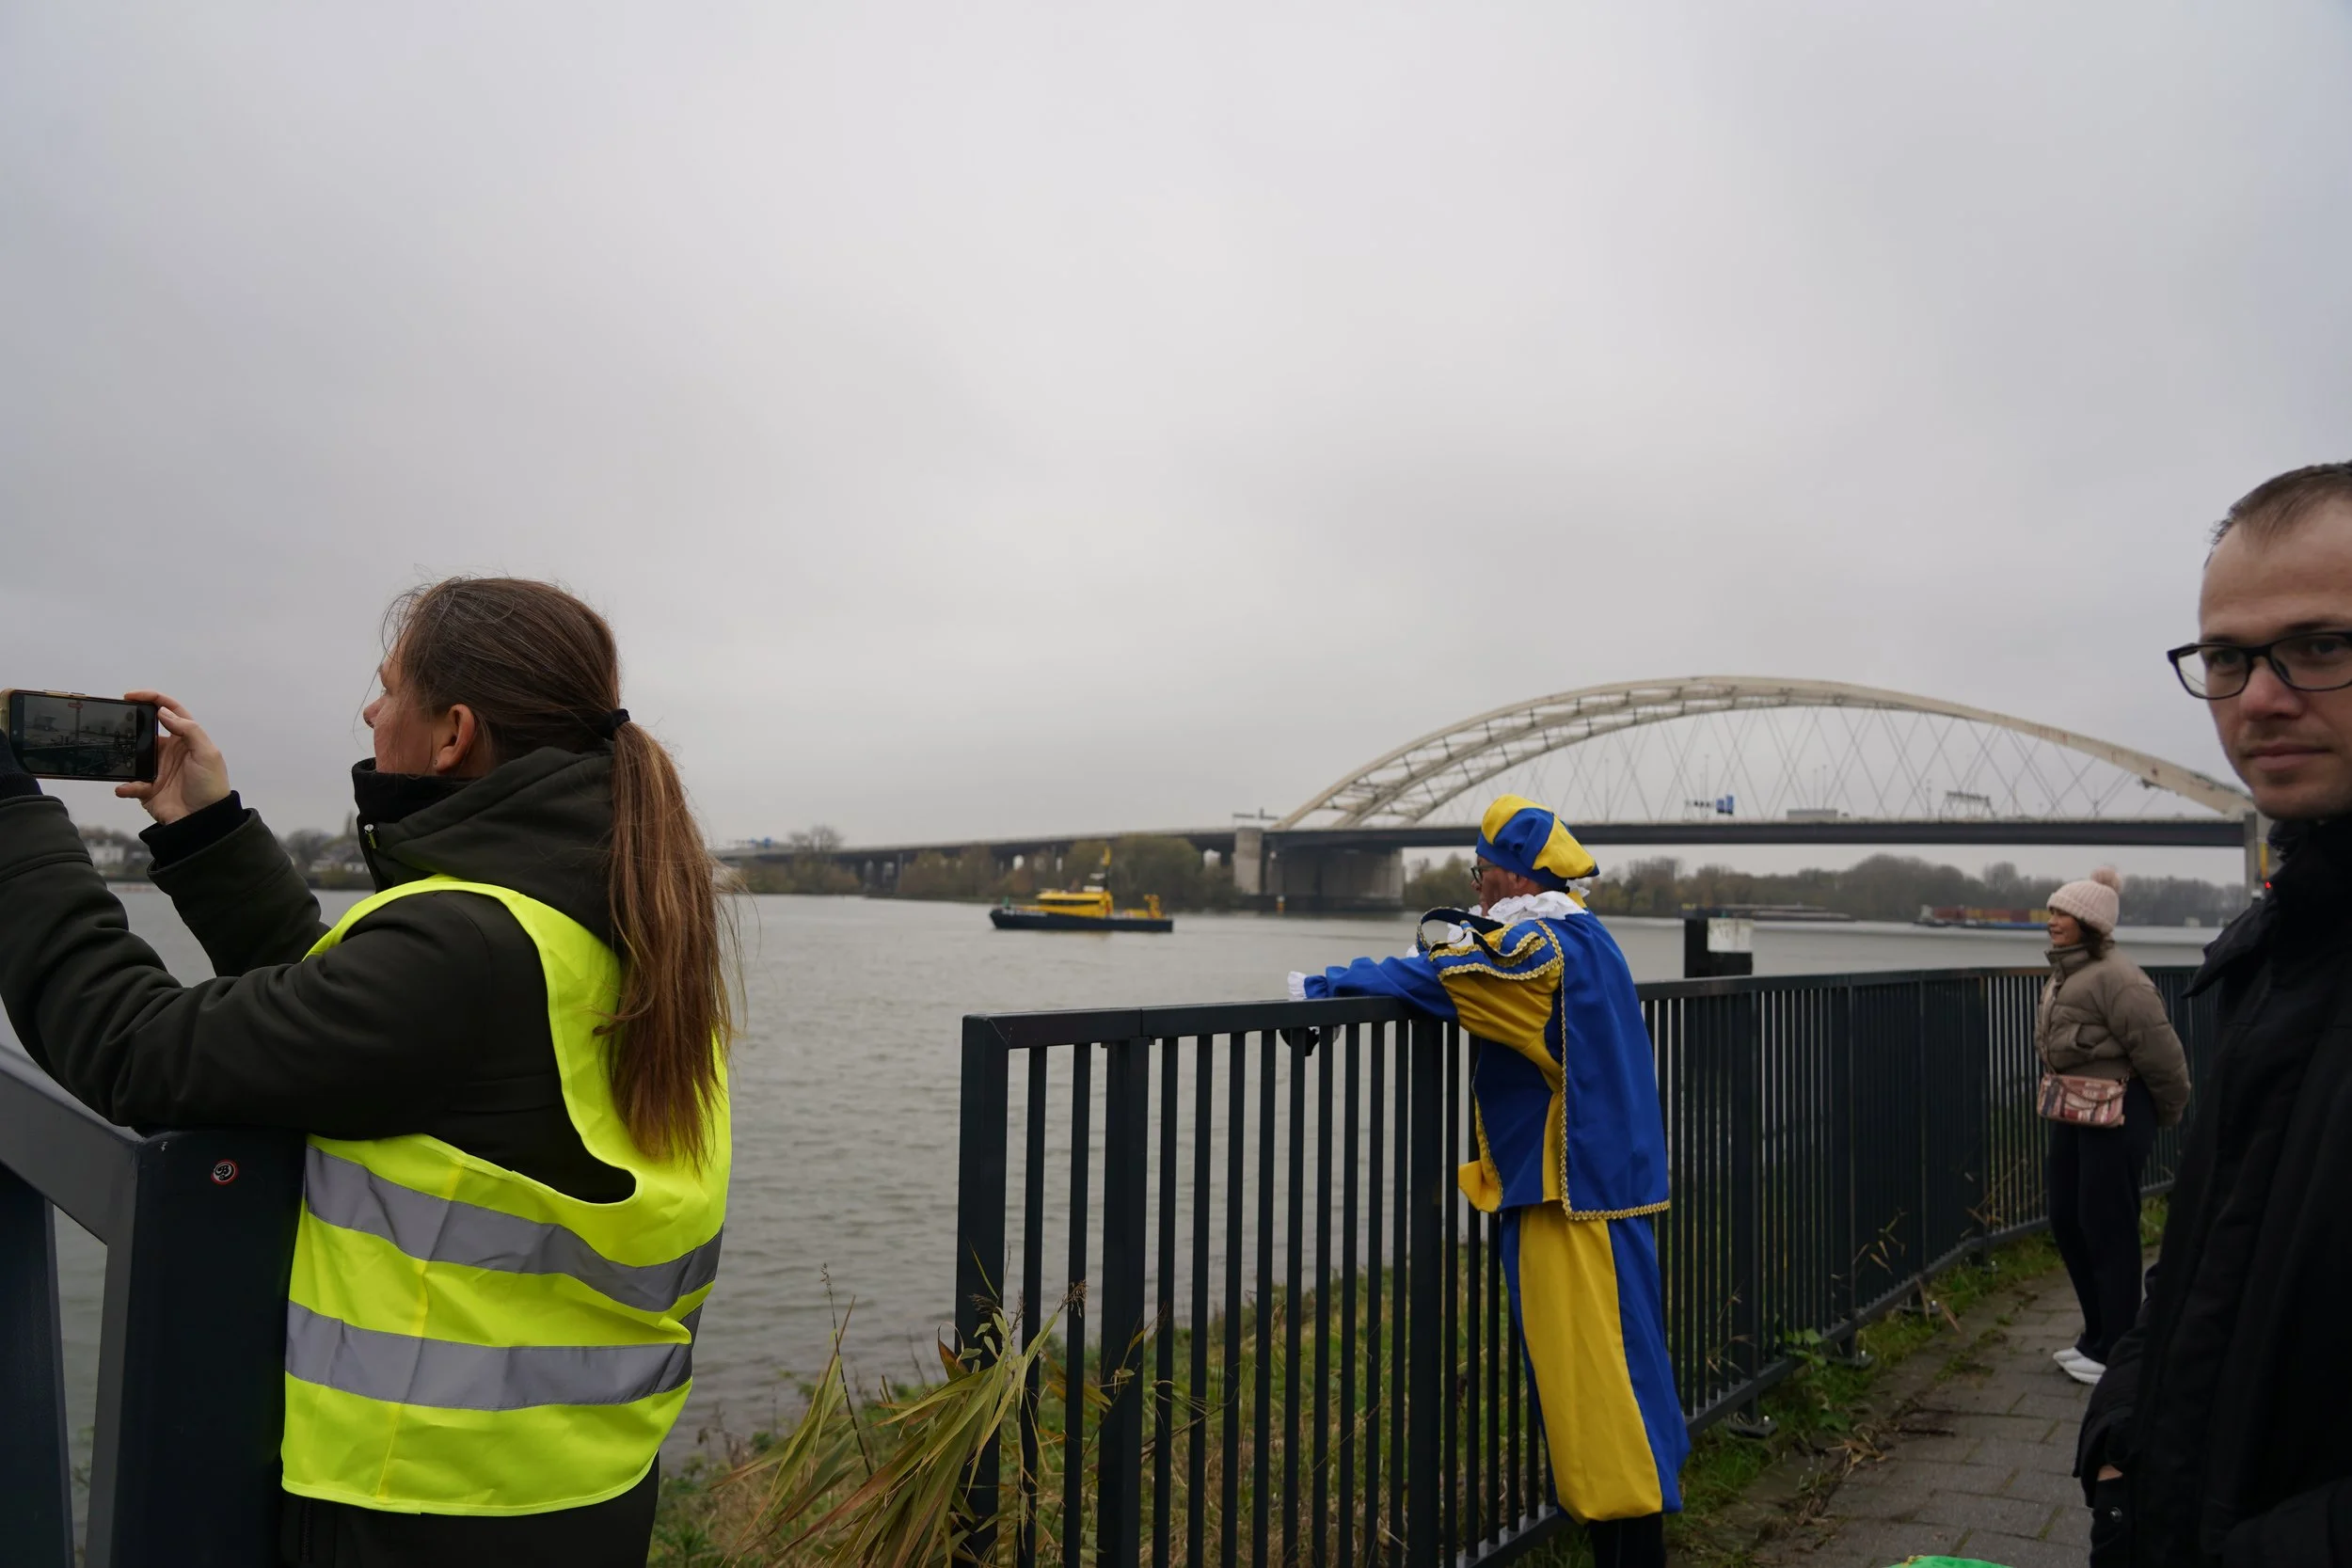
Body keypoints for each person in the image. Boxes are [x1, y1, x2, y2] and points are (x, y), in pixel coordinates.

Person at [0, 578, 733, 1567]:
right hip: (577, 1494)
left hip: (420, 1512)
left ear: (452, 734)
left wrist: (13, 826)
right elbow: (357, 1028)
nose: (369, 711)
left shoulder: (467, 946)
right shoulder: (610, 923)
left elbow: (133, 1046)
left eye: (388, 688)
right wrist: (205, 829)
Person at [1289, 795, 1685, 1568]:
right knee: (1626, 1382)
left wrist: (1324, 986)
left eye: (1480, 874)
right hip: (1608, 1193)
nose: (1476, 889)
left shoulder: (1539, 945)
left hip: (1570, 1203)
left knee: (1596, 1399)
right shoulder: (1589, 935)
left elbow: (1452, 973)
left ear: (1512, 876)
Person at [2076, 460, 2352, 1564]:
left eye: (2320, 646)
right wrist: (2118, 1435)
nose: (2258, 699)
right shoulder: (2271, 959)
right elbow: (2208, 1258)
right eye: (2228, 658)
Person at [2033, 866, 2189, 1388]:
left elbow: (2162, 1053)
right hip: (2074, 1111)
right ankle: (2095, 1337)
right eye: (2052, 910)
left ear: (2090, 923)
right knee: (2067, 1218)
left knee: (2107, 1226)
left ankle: (2119, 1349)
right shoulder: (2066, 973)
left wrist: (2167, 1111)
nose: (2052, 920)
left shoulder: (2121, 979)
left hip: (2120, 1112)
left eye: (2063, 913)